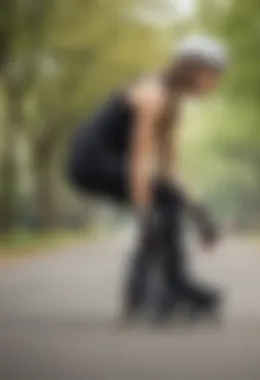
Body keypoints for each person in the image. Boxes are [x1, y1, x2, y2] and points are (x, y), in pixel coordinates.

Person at [67, 34, 228, 323]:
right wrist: (144, 214)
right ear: (197, 70)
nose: (216, 82)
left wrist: (198, 212)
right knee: (160, 205)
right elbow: (140, 161)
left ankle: (163, 287)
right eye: (215, 75)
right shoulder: (153, 94)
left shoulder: (172, 103)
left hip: (111, 162)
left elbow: (168, 169)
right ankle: (156, 289)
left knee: (169, 198)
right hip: (89, 162)